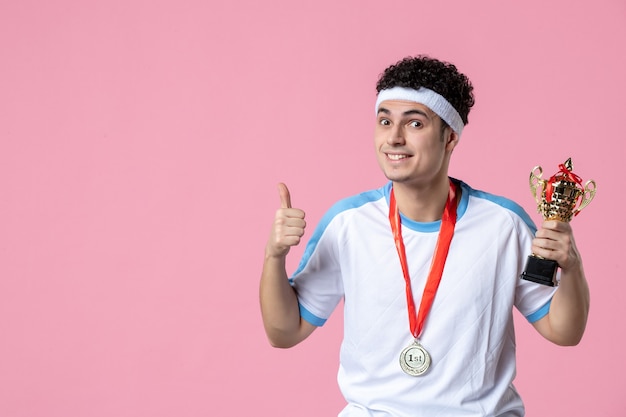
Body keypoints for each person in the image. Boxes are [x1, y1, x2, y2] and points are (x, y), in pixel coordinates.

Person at [259, 55, 590, 416]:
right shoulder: (347, 224)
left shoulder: (504, 225)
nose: (394, 138)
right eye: (384, 121)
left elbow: (564, 331)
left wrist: (571, 267)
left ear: (450, 138)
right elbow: (285, 332)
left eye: (414, 123)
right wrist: (273, 257)